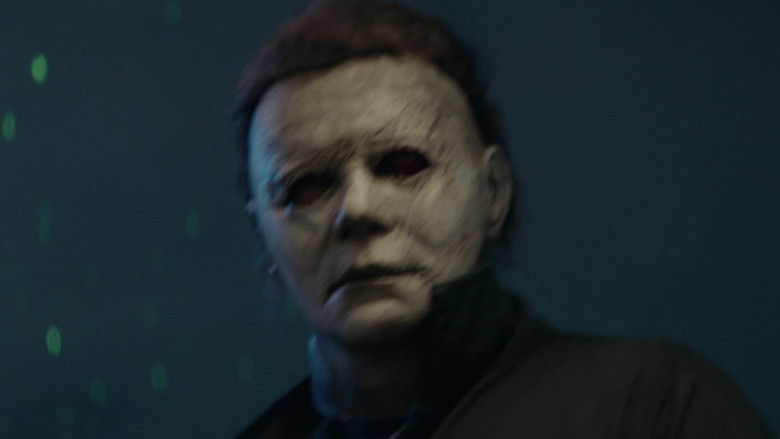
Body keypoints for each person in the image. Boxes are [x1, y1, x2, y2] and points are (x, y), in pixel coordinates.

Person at [232, 0, 775, 437]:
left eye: (402, 165)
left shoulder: (653, 406)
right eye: (306, 187)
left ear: (493, 192)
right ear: (263, 237)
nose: (358, 210)